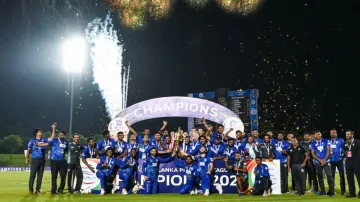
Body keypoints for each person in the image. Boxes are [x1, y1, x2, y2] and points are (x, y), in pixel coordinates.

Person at [26, 124, 56, 195]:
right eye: (39, 131)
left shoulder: (43, 139)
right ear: (36, 133)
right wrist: (27, 158)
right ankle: (31, 189)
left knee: (40, 176)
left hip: (42, 160)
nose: (41, 132)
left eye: (41, 131)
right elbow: (28, 149)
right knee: (32, 175)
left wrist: (54, 129)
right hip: (35, 159)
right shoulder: (32, 140)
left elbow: (52, 138)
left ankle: (38, 190)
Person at [38, 130, 69, 194]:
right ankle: (53, 190)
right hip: (54, 161)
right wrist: (38, 144)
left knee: (63, 176)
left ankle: (61, 189)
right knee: (54, 176)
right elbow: (46, 144)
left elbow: (67, 150)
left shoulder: (66, 142)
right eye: (60, 134)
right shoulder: (54, 140)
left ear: (64, 136)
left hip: (62, 161)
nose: (60, 135)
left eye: (62, 135)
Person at [310, 131, 335, 197]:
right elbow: (312, 154)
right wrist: (320, 160)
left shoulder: (326, 140)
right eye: (316, 134)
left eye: (319, 134)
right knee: (320, 177)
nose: (318, 135)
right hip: (317, 162)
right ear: (315, 136)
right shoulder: (313, 143)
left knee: (329, 176)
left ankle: (332, 192)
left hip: (326, 161)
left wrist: (324, 160)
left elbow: (329, 151)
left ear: (321, 135)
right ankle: (323, 192)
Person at [343, 130, 360, 198]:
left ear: (352, 135)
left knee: (359, 178)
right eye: (346, 134)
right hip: (348, 162)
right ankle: (352, 193)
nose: (347, 135)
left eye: (348, 134)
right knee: (349, 178)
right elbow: (344, 151)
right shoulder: (345, 143)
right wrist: (345, 153)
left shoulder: (357, 142)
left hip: (357, 162)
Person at [329, 129, 345, 196]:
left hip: (339, 160)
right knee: (331, 177)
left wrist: (343, 154)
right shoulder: (329, 141)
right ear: (330, 134)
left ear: (336, 133)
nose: (333, 134)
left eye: (334, 133)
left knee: (342, 176)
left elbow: (345, 148)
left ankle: (343, 191)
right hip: (331, 161)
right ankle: (332, 191)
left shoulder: (341, 140)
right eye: (331, 133)